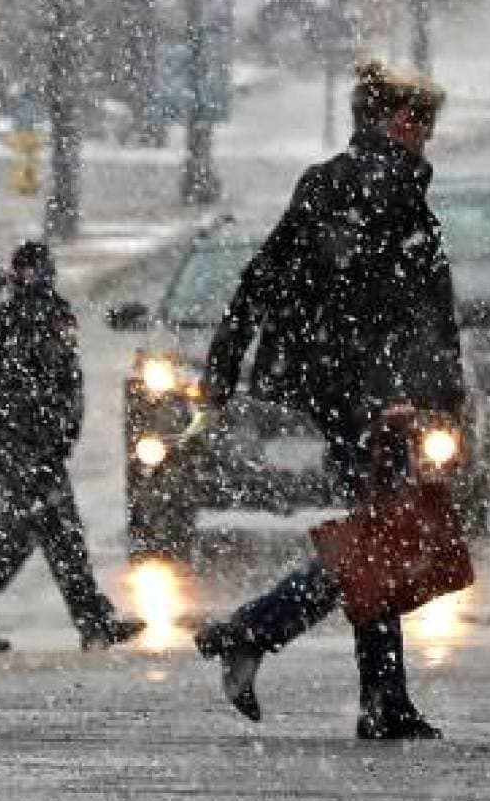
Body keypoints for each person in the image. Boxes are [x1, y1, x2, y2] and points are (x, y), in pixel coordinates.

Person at [190, 57, 465, 741]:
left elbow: (265, 277)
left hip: (334, 385)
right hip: (370, 396)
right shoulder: (389, 189)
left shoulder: (329, 182)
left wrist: (228, 360)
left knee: (379, 537)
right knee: (377, 541)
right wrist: (414, 395)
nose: (426, 140)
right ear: (397, 121)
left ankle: (381, 696)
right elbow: (416, 308)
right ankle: (254, 630)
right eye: (422, 126)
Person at [0, 241, 144, 654]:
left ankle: (91, 620)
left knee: (51, 534)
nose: (35, 279)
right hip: (26, 448)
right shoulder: (16, 320)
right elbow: (5, 385)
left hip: (39, 446)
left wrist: (60, 430)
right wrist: (35, 433)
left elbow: (63, 381)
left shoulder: (45, 314)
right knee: (36, 534)